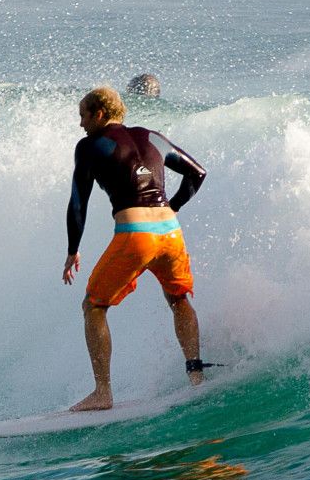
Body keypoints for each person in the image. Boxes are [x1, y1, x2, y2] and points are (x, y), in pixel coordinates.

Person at [61, 85, 207, 411]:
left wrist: (73, 250)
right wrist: (173, 207)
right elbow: (197, 173)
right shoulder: (150, 136)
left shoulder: (89, 146)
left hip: (135, 234)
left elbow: (77, 202)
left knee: (94, 307)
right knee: (178, 299)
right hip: (171, 233)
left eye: (83, 116)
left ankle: (102, 392)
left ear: (99, 114)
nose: (81, 124)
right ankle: (196, 376)